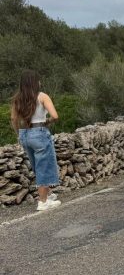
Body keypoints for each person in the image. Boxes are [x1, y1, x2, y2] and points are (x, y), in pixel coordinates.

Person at [10, 70, 61, 211]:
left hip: (24, 133)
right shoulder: (42, 96)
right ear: (34, 82)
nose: (40, 82)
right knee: (43, 166)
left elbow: (14, 119)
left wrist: (18, 134)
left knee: (36, 166)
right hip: (39, 132)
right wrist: (47, 122)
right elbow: (55, 116)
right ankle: (43, 202)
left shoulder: (17, 98)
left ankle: (48, 195)